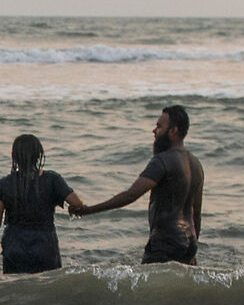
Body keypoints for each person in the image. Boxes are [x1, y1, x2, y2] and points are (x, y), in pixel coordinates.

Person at [78, 104, 204, 265]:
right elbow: (196, 213)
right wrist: (192, 247)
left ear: (173, 130)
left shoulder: (162, 160)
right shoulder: (196, 164)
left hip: (166, 241)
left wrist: (88, 210)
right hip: (190, 241)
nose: (154, 131)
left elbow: (131, 195)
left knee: (151, 288)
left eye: (159, 127)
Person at [0, 133, 87, 275]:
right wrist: (73, 207)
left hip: (14, 247)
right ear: (39, 155)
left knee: (16, 291)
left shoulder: (3, 184)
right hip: (45, 246)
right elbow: (77, 203)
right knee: (47, 289)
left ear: (14, 157)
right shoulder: (53, 179)